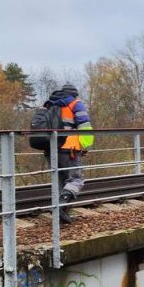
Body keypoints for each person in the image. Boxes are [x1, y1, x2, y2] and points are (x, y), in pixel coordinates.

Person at [48, 84, 93, 224]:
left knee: (61, 181)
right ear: (74, 94)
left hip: (50, 148)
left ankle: (61, 215)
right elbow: (84, 126)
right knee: (75, 180)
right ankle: (60, 207)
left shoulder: (51, 104)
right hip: (70, 148)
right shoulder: (76, 104)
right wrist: (85, 146)